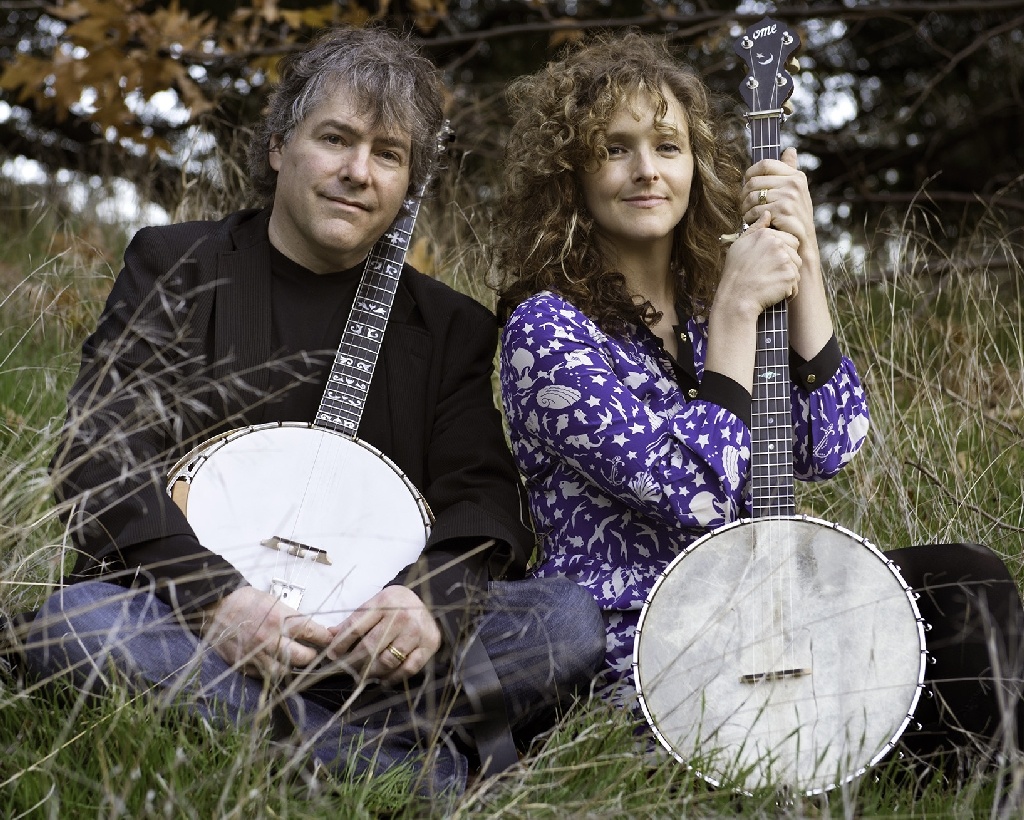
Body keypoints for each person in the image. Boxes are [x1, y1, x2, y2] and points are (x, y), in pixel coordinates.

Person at [17, 25, 605, 799]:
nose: (359, 172)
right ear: (279, 147)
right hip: (205, 630)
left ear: (407, 185)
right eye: (337, 139)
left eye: (389, 155)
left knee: (568, 620)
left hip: (377, 648)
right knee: (77, 626)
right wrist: (215, 600)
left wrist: (423, 605)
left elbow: (482, 496)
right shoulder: (177, 267)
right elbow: (100, 452)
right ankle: (393, 766)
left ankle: (271, 736)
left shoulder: (449, 326)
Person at [493, 32, 1023, 776]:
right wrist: (739, 319)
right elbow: (693, 494)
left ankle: (970, 782)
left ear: (695, 166)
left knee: (968, 579)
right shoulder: (547, 330)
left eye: (667, 147)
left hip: (771, 612)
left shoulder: (714, 303)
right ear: (571, 176)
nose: (647, 170)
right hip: (642, 642)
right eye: (616, 149)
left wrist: (801, 261)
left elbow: (834, 441)